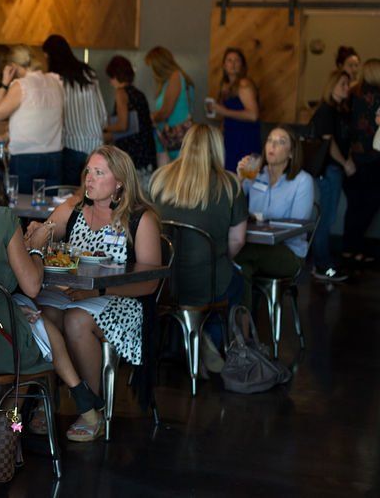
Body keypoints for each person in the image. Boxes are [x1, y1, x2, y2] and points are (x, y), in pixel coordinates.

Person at [0, 146, 105, 436]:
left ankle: (18, 427)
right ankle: (15, 430)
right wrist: (37, 249)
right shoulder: (2, 218)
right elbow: (31, 284)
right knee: (42, 334)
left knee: (40, 324)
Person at [29, 146, 161, 441]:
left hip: (124, 302)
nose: (89, 178)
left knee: (76, 320)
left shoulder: (140, 219)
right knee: (43, 314)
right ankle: (46, 398)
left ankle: (90, 406)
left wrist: (97, 290)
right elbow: (41, 237)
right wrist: (39, 232)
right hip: (75, 295)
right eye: (88, 171)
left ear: (120, 182)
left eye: (99, 173)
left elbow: (150, 283)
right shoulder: (74, 209)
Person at [150, 124, 247, 369]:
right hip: (208, 283)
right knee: (239, 283)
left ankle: (183, 337)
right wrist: (217, 256)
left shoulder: (160, 178)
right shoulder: (229, 184)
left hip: (165, 284)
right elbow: (238, 240)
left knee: (199, 284)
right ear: (218, 148)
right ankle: (212, 338)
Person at [233, 126, 314, 307]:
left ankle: (239, 320)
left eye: (280, 142)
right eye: (270, 140)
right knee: (242, 269)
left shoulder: (302, 181)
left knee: (237, 254)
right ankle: (244, 322)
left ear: (291, 153)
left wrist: (260, 220)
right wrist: (239, 179)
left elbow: (296, 227)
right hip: (255, 247)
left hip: (289, 253)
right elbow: (231, 203)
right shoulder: (256, 174)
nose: (273, 145)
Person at [0, 44, 65, 193]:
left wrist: (4, 84)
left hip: (26, 157)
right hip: (55, 156)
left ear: (13, 66)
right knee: (51, 205)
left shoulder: (21, 85)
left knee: (21, 204)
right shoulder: (55, 81)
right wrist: (8, 134)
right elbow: (40, 118)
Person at [43, 35, 106, 185]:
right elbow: (102, 114)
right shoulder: (89, 73)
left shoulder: (54, 79)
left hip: (70, 145)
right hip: (95, 145)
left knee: (69, 194)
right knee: (92, 194)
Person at [309, 71, 354, 281]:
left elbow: (345, 140)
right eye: (343, 84)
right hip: (328, 169)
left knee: (328, 216)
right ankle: (322, 264)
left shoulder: (340, 111)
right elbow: (329, 143)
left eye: (348, 84)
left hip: (335, 168)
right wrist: (345, 163)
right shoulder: (326, 110)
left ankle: (322, 261)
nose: (347, 87)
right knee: (326, 217)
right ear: (332, 85)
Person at [344, 59, 380, 264]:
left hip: (352, 158)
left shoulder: (352, 94)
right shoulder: (377, 96)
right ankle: (356, 248)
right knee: (369, 204)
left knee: (355, 205)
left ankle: (350, 249)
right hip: (374, 157)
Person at [103, 55, 156, 177]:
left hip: (132, 153)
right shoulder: (139, 94)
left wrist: (104, 128)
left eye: (111, 77)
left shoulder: (121, 92)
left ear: (116, 75)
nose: (110, 81)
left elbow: (122, 125)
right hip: (146, 150)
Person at [209, 48, 261, 171]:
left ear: (242, 65)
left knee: (246, 175)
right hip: (231, 138)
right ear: (224, 65)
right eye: (229, 60)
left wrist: (224, 111)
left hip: (246, 138)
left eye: (237, 60)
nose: (233, 64)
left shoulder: (244, 84)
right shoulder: (226, 86)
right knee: (231, 174)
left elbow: (253, 115)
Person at [145, 46, 194, 165]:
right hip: (166, 139)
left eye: (153, 67)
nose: (153, 71)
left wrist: (149, 117)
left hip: (175, 138)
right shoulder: (168, 81)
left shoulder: (175, 77)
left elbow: (166, 111)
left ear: (159, 65)